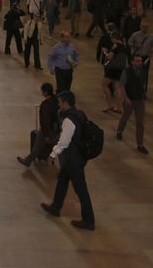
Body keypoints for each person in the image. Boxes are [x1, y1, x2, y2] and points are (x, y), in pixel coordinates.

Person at [41, 91, 95, 230]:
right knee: (62, 180)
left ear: (65, 102)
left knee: (81, 190)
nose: (58, 105)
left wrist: (53, 154)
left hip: (73, 159)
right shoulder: (80, 114)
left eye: (59, 102)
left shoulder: (69, 120)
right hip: (78, 157)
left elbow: (64, 141)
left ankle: (89, 220)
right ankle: (55, 207)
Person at [17, 83, 60, 166]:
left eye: (42, 91)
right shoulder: (56, 99)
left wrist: (46, 133)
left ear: (46, 92)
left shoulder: (46, 104)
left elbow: (46, 121)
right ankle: (50, 159)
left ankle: (27, 161)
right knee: (55, 146)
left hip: (46, 130)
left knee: (37, 147)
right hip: (56, 128)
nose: (41, 93)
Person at [116, 55, 149, 154]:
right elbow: (122, 85)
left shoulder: (143, 71)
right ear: (132, 62)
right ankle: (119, 131)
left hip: (140, 100)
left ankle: (140, 144)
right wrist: (125, 98)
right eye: (137, 61)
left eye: (140, 61)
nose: (139, 63)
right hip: (129, 99)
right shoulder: (126, 72)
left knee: (140, 122)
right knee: (125, 117)